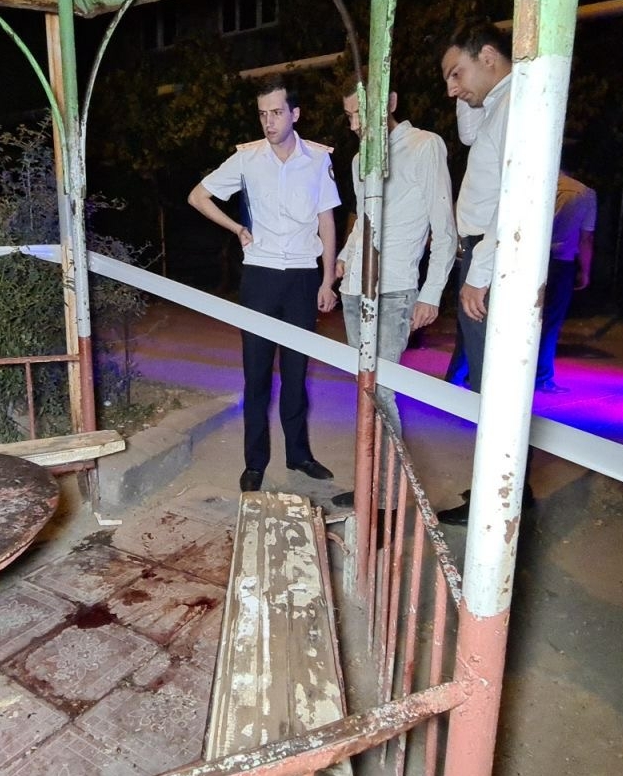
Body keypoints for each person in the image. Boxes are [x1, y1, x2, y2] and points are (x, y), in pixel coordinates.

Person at [189, 77, 340, 493]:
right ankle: (255, 462)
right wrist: (236, 228)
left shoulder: (317, 159)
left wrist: (327, 280)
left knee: (296, 373)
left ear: (295, 114)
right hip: (260, 276)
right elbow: (198, 197)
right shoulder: (247, 159)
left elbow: (327, 221)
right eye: (262, 114)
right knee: (256, 376)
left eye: (276, 112)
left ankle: (299, 455)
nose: (268, 122)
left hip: (303, 277)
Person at [332, 88, 457, 508]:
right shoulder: (359, 160)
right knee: (365, 390)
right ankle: (370, 487)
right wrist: (346, 256)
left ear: (389, 102)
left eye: (360, 114)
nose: (354, 125)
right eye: (349, 115)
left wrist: (431, 294)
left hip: (395, 288)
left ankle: (387, 499)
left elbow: (444, 228)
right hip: (355, 289)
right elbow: (363, 220)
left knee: (381, 392)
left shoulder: (424, 146)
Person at [441, 24, 512, 394]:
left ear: (487, 56)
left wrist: (479, 272)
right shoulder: (496, 106)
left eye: (456, 74)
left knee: (492, 378)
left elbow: (513, 199)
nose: (451, 89)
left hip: (490, 253)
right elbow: (468, 135)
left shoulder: (513, 105)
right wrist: (464, 88)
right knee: (483, 370)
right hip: (482, 251)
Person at [536, 174, 596, 393]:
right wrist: (585, 270)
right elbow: (586, 238)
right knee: (550, 321)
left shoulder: (536, 182)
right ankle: (542, 376)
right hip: (561, 261)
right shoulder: (584, 193)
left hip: (531, 259)